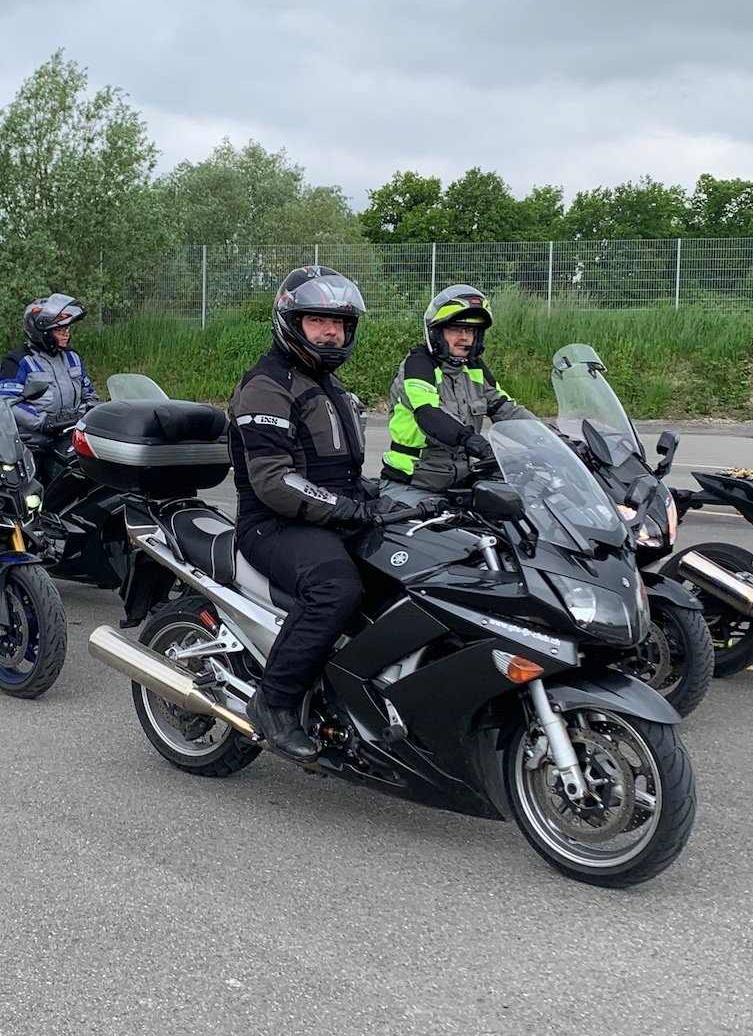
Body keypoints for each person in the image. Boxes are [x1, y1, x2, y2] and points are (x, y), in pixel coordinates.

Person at [228, 265, 394, 762]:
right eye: (318, 321)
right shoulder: (266, 386)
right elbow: (273, 481)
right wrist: (346, 509)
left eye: (339, 323)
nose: (331, 333)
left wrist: (393, 499)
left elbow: (342, 473)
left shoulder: (329, 386)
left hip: (325, 517)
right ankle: (274, 702)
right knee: (335, 588)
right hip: (273, 524)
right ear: (291, 321)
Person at [381, 284, 535, 503]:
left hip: (462, 482)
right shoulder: (418, 364)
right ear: (437, 332)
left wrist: (553, 440)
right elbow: (428, 414)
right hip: (413, 484)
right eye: (456, 329)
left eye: (470, 331)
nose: (465, 337)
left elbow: (507, 409)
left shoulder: (474, 368)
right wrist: (474, 441)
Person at [0, 293, 100, 476]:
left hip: (71, 434)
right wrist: (43, 421)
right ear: (42, 331)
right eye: (59, 330)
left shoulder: (72, 357)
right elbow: (8, 403)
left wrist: (90, 412)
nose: (66, 333)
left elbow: (90, 395)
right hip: (34, 441)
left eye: (67, 328)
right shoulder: (17, 361)